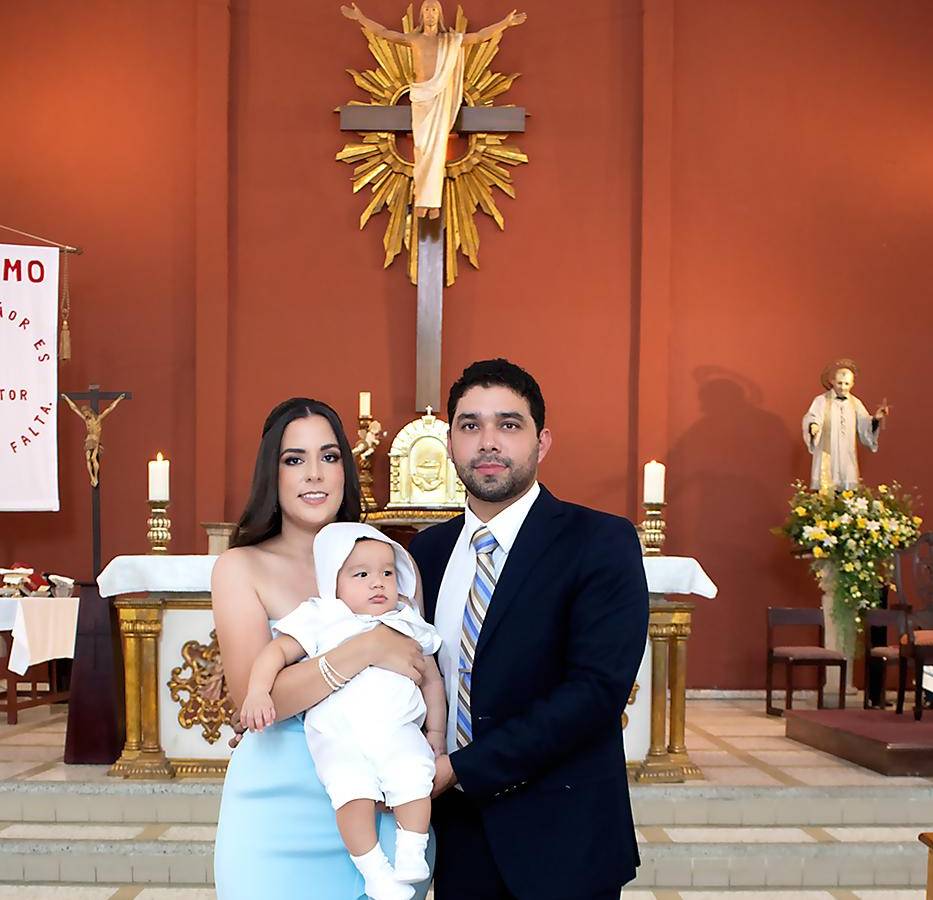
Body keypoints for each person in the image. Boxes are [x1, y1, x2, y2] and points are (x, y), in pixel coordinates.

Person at [409, 358, 649, 900]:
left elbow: (594, 694)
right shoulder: (427, 552)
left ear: (541, 444)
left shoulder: (600, 542)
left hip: (562, 833)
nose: (488, 442)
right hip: (457, 832)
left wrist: (461, 768)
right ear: (450, 442)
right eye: (470, 426)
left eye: (508, 425)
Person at [212, 397, 434, 900]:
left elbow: (418, 676)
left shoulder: (390, 567)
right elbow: (253, 702)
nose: (314, 474)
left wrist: (433, 755)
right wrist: (369, 647)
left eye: (329, 457)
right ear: (273, 472)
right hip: (275, 809)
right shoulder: (241, 568)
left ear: (346, 471)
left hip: (382, 802)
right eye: (295, 459)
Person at [240, 523, 446, 900]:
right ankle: (374, 869)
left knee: (415, 777)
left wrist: (436, 735)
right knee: (352, 794)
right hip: (339, 734)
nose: (378, 583)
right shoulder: (321, 615)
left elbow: (431, 679)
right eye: (361, 575)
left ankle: (411, 851)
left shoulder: (406, 621)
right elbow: (275, 653)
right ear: (333, 582)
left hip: (397, 730)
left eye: (387, 573)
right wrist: (257, 691)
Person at [340, 2, 526, 218]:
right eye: (426, 9)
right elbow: (384, 33)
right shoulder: (414, 39)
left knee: (437, 150)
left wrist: (505, 23)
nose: (430, 14)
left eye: (434, 9)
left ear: (440, 15)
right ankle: (421, 199)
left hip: (440, 98)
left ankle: (433, 203)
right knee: (421, 148)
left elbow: (478, 37)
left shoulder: (450, 41)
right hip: (421, 98)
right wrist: (360, 18)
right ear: (421, 15)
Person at [802, 359, 890, 490]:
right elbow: (812, 416)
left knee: (847, 489)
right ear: (832, 381)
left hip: (847, 454)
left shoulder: (855, 403)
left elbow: (865, 424)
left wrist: (875, 419)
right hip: (828, 453)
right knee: (827, 489)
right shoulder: (821, 401)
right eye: (839, 383)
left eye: (846, 383)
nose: (843, 387)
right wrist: (813, 425)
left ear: (852, 384)